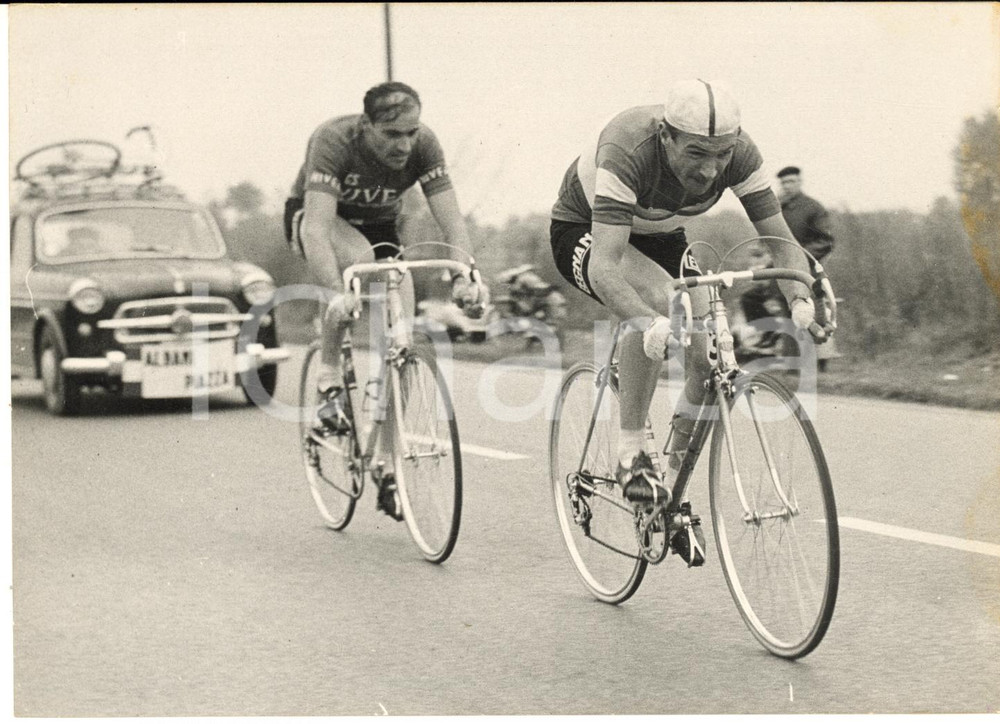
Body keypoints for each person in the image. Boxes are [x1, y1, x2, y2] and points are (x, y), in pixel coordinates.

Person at [550, 79, 824, 565]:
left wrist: (802, 295)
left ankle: (668, 482)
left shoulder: (739, 153)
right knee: (662, 302)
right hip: (589, 232)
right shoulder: (627, 147)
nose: (710, 168)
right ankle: (632, 451)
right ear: (665, 136)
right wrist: (646, 322)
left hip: (661, 235)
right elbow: (607, 266)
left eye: (721, 155)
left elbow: (780, 240)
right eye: (696, 153)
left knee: (708, 352)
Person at [289, 81, 486, 517]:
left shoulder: (424, 145)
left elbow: (452, 223)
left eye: (410, 133)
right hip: (320, 220)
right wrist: (336, 293)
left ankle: (384, 460)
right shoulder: (334, 140)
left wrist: (466, 274)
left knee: (403, 336)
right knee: (359, 264)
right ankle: (327, 378)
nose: (404, 144)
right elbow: (317, 230)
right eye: (392, 134)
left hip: (380, 229)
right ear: (366, 126)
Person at [776, 166, 835, 269]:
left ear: (800, 182)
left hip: (803, 269)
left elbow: (825, 242)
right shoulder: (777, 208)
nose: (787, 186)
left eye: (791, 181)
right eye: (783, 183)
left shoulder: (813, 207)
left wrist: (799, 256)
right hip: (776, 267)